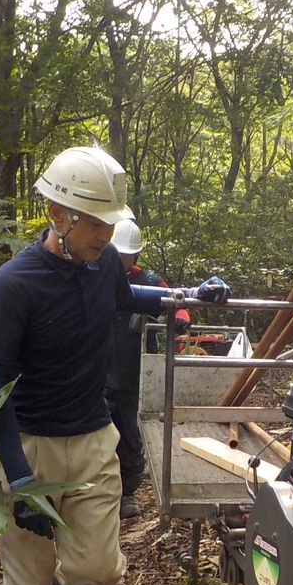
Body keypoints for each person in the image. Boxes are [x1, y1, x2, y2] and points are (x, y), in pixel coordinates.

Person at [0, 145, 230, 585]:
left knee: (98, 572)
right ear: (56, 212)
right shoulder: (13, 286)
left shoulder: (104, 266)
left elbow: (127, 298)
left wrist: (184, 294)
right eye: (96, 223)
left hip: (93, 442)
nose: (106, 234)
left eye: (110, 222)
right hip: (27, 446)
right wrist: (18, 480)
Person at [106, 219, 191, 520]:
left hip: (133, 372)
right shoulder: (97, 274)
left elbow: (176, 301)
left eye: (125, 256)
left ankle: (127, 492)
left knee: (130, 435)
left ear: (135, 255)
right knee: (99, 435)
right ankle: (98, 493)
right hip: (99, 373)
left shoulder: (150, 281)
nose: (120, 260)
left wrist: (180, 318)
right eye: (116, 254)